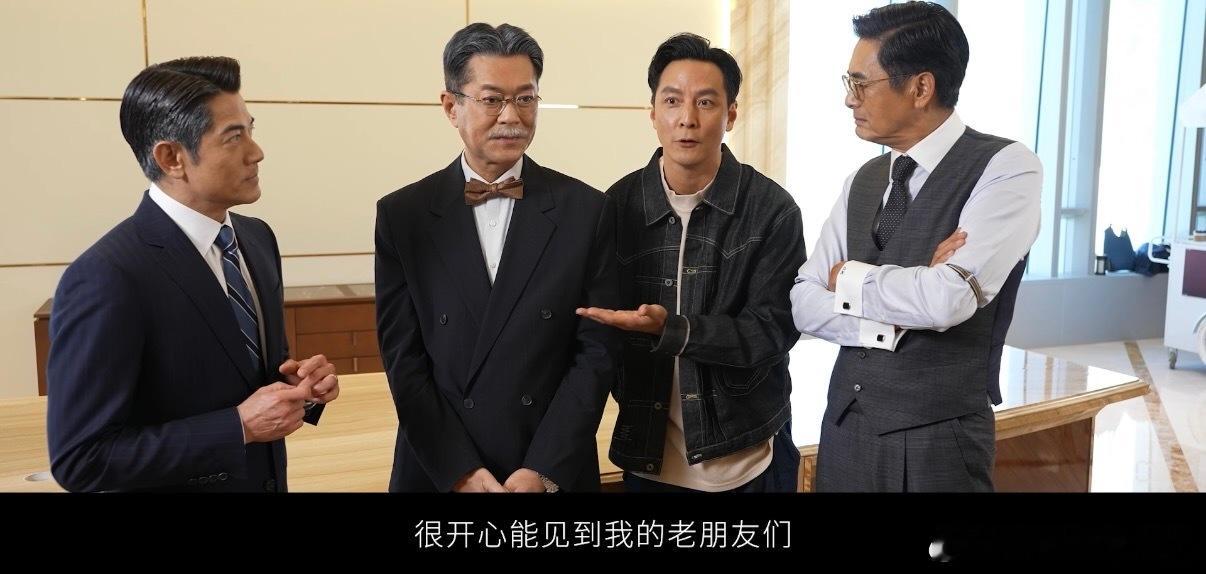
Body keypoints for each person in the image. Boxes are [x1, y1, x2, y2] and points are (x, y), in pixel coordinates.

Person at [47, 56, 339, 492]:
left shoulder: (257, 239)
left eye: (251, 130)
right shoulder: (107, 276)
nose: (256, 152)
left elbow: (250, 377)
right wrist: (238, 427)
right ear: (171, 157)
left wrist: (300, 390)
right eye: (233, 137)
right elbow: (81, 460)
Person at [789, 1, 1042, 492]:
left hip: (938, 440)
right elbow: (802, 301)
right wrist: (906, 301)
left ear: (921, 88)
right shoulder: (863, 179)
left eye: (861, 84)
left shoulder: (1007, 168)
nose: (849, 100)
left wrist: (847, 278)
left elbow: (948, 299)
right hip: (844, 429)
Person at [374, 23, 620, 492]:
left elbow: (597, 353)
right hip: (440, 466)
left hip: (549, 463)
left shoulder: (587, 210)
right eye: (492, 99)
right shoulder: (403, 215)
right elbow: (403, 360)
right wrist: (459, 471)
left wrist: (543, 469)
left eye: (525, 98)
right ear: (451, 106)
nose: (512, 116)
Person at [579, 33, 805, 493]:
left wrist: (675, 330)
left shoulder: (772, 209)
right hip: (650, 460)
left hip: (749, 457)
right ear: (652, 113)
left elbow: (774, 330)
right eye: (672, 101)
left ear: (731, 114)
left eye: (705, 102)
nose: (687, 119)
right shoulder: (616, 207)